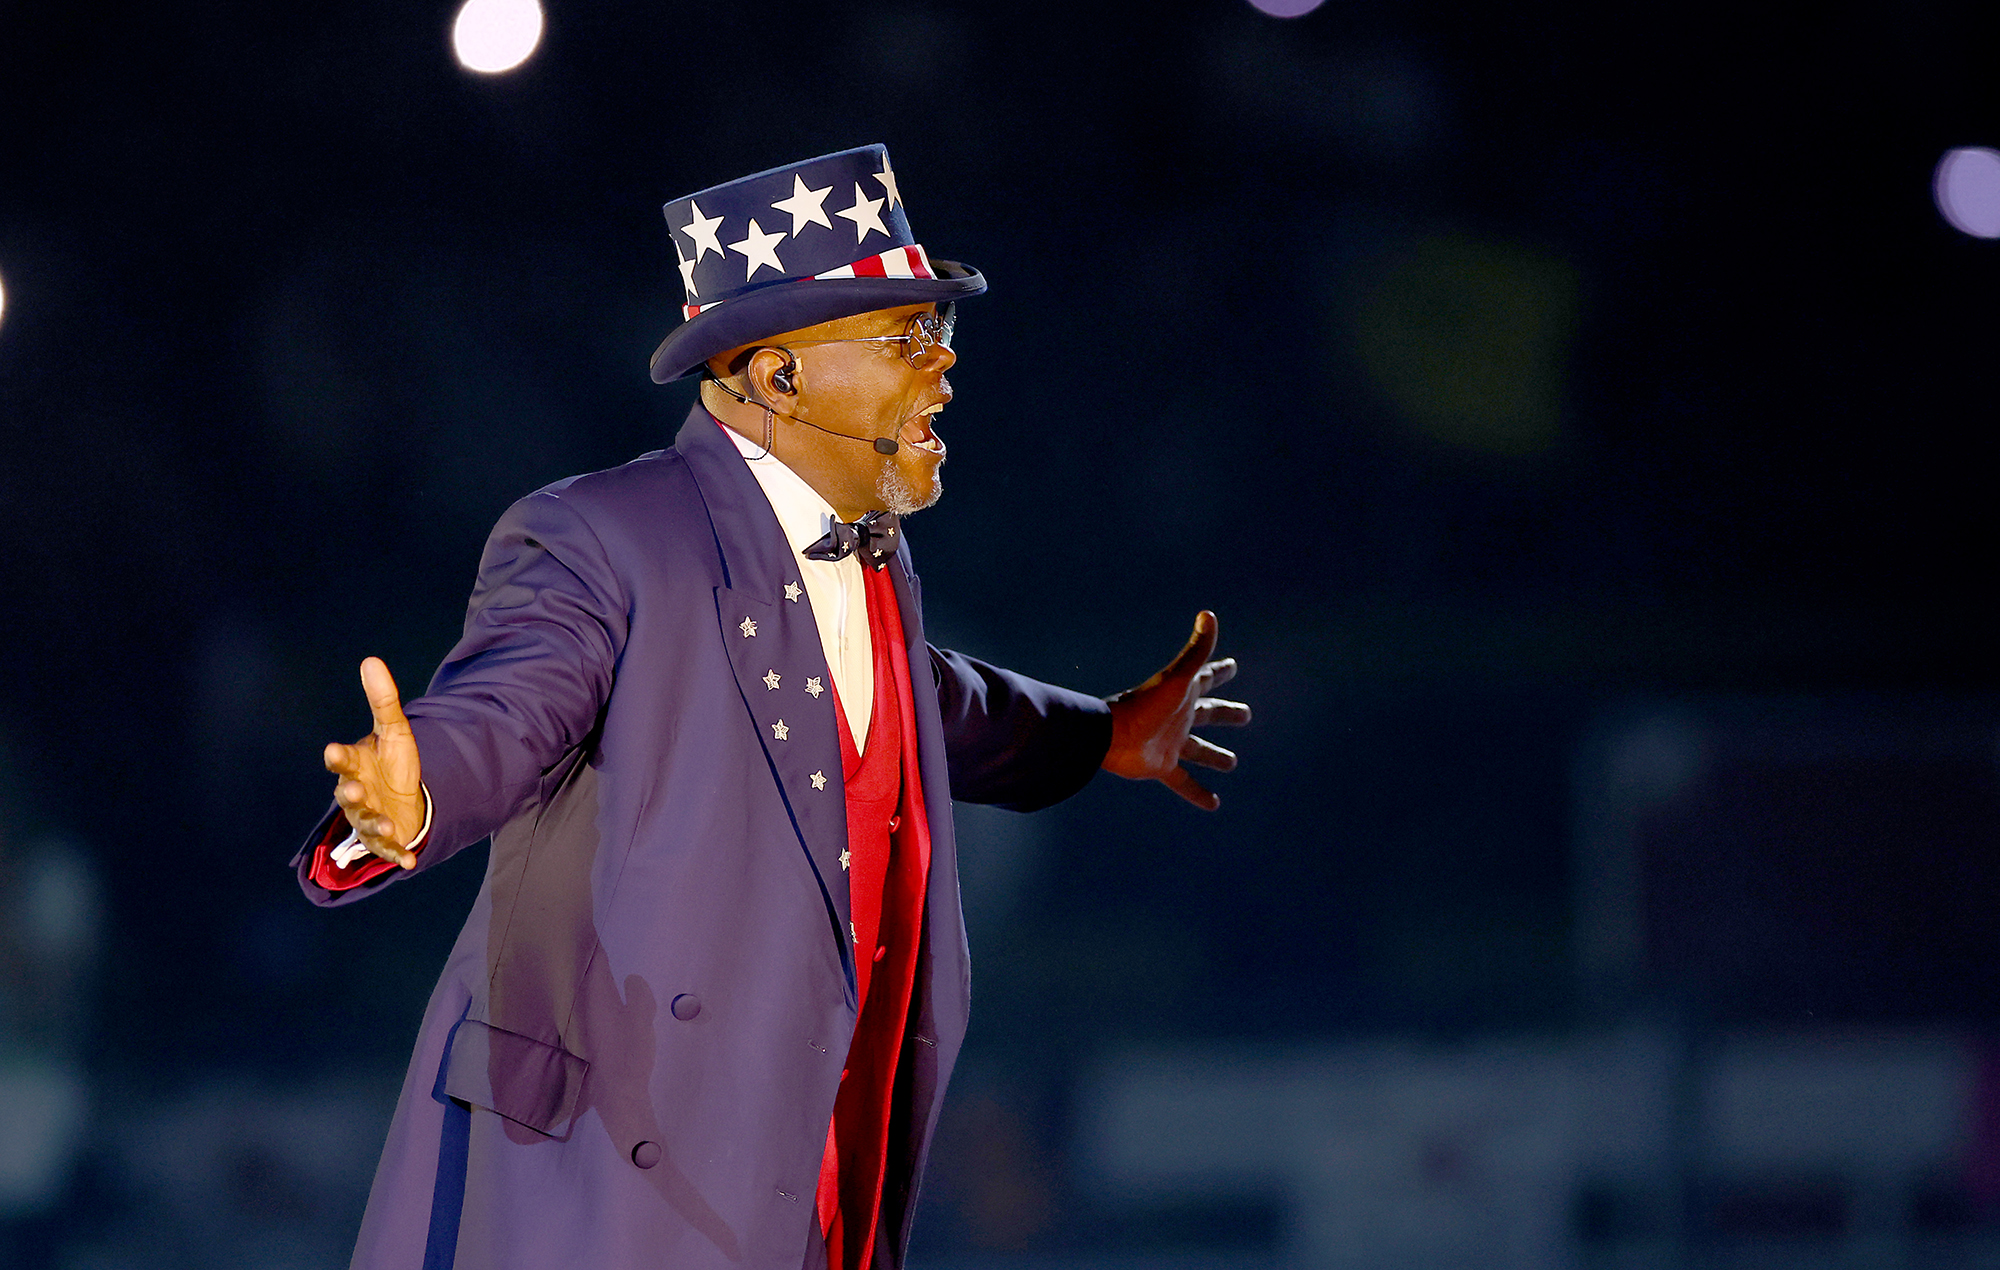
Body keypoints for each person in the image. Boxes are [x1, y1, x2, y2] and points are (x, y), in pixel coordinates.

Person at [296, 145, 1248, 1270]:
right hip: (620, 1170)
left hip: (814, 1167)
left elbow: (918, 701)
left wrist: (1098, 734)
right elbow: (515, 702)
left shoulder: (869, 555)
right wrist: (416, 796)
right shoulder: (606, 535)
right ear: (778, 378)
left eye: (939, 334)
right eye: (906, 339)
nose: (942, 368)